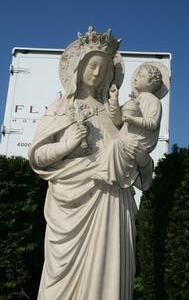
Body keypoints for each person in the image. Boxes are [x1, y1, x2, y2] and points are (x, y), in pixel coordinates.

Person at [28, 26, 153, 300]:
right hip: (74, 204)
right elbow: (38, 156)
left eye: (103, 68)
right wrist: (66, 144)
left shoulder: (114, 115)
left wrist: (141, 158)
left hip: (115, 204)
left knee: (110, 276)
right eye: (92, 66)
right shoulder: (62, 107)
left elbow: (132, 157)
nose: (97, 73)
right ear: (78, 66)